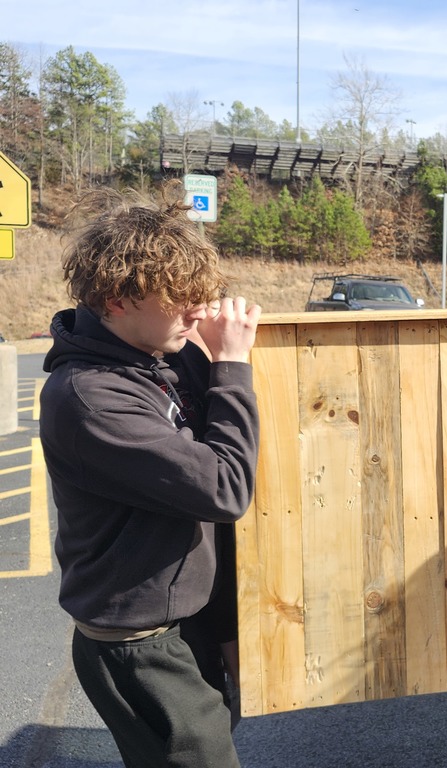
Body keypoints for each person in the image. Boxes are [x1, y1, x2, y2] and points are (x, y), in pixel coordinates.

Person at [39, 188, 262, 768]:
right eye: (180, 302)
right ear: (116, 300)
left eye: (201, 297)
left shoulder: (162, 350)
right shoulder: (88, 398)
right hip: (140, 645)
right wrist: (232, 367)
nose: (197, 314)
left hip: (189, 620)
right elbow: (224, 488)